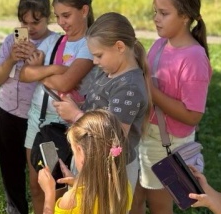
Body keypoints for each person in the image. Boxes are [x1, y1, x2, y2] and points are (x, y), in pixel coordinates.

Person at [125, 0, 212, 214]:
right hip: (143, 136)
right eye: (155, 12)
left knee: (160, 209)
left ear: (186, 16)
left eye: (164, 13)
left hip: (167, 144)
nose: (156, 19)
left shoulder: (194, 58)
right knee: (134, 199)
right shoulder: (159, 45)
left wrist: (152, 93)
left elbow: (192, 115)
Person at [18, 0, 96, 214]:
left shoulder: (90, 45)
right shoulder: (54, 41)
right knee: (37, 183)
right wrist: (50, 69)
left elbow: (67, 82)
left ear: (84, 11)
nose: (62, 22)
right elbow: (24, 74)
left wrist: (41, 72)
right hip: (38, 122)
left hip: (66, 126)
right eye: (58, 16)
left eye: (67, 15)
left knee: (61, 186)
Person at [54, 11, 151, 194]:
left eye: (99, 55)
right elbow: (98, 109)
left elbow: (115, 136)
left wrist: (76, 115)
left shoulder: (129, 87)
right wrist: (76, 106)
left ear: (119, 47)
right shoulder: (108, 71)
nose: (94, 61)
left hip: (110, 172)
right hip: (89, 159)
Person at [0, 0, 60, 214]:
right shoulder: (12, 40)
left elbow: (61, 78)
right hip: (8, 111)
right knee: (10, 164)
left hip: (41, 118)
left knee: (46, 170)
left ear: (48, 18)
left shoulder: (55, 43)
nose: (30, 28)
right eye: (24, 22)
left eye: (36, 22)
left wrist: (38, 66)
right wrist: (11, 59)